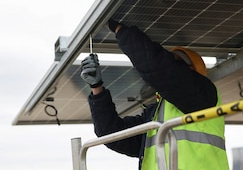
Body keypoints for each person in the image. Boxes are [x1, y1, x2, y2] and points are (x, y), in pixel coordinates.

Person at [80, 19, 229, 170]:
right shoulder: (156, 117)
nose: (171, 63)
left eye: (178, 62)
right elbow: (111, 133)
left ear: (193, 71)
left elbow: (161, 69)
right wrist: (96, 87)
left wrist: (119, 29)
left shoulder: (204, 94)